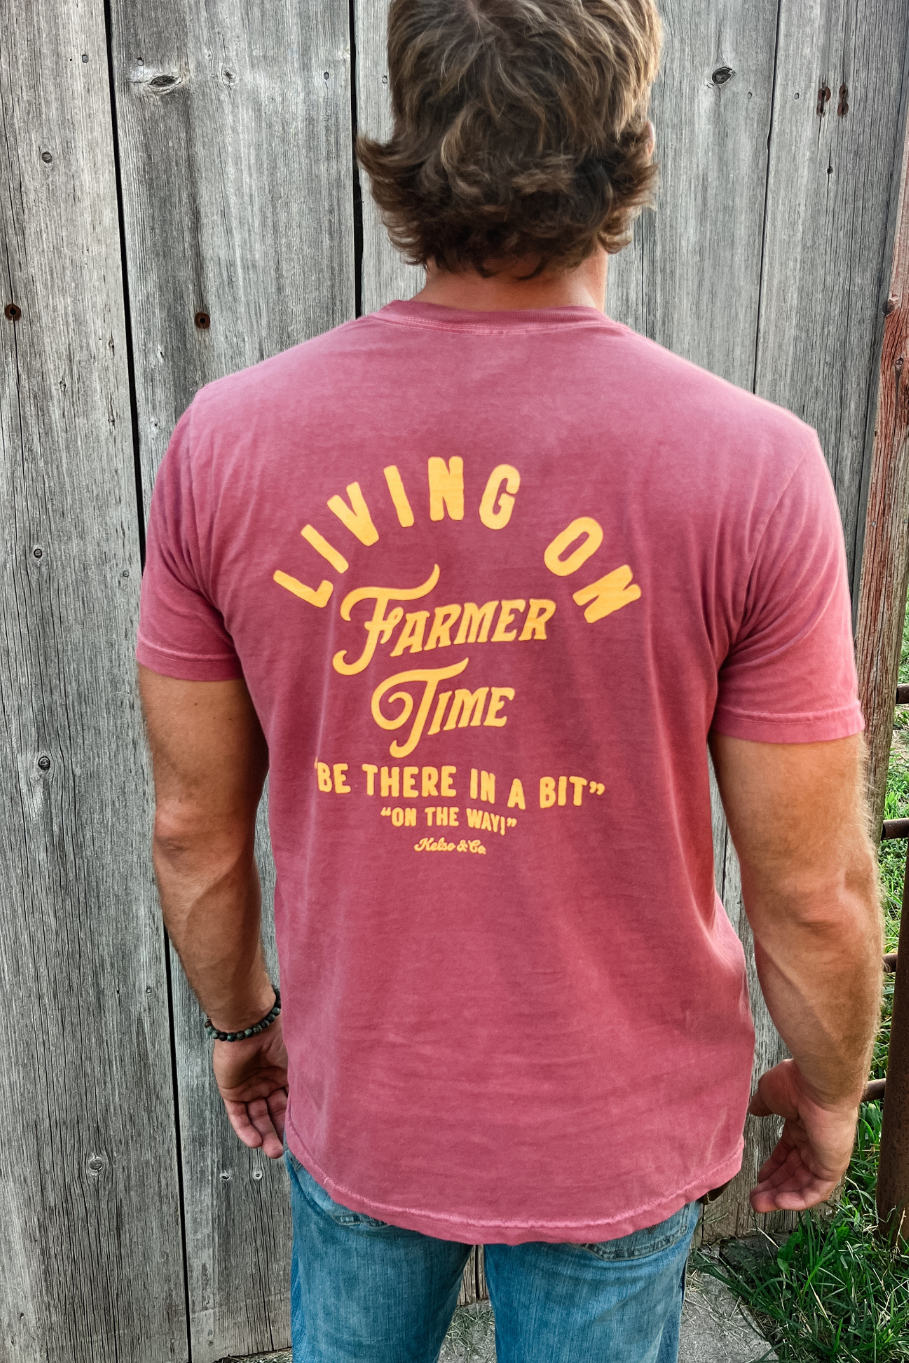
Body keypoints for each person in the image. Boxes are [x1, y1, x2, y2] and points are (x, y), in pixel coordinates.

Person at [137, 1, 883, 1358]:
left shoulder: (226, 445)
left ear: (411, 131)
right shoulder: (752, 469)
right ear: (628, 138)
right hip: (617, 1124)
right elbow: (816, 891)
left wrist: (244, 1021)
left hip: (366, 1092)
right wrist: (832, 1090)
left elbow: (193, 826)